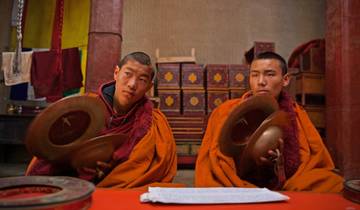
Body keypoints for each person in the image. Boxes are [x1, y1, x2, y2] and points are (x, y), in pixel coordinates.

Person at [195, 51, 343, 192]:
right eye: (254, 75)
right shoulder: (225, 111)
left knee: (331, 182)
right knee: (212, 181)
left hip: (289, 180)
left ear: (285, 80)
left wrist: (280, 165)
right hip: (239, 179)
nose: (261, 82)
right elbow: (217, 162)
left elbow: (313, 160)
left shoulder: (298, 113)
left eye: (270, 74)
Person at [26, 52, 178, 188]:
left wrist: (113, 166)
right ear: (116, 73)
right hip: (72, 184)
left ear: (149, 87)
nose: (132, 84)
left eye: (142, 79)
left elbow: (155, 172)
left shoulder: (153, 122)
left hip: (120, 190)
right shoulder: (83, 109)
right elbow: (52, 153)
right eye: (127, 74)